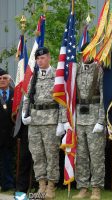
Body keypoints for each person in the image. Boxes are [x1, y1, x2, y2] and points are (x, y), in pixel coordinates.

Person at [22, 47, 66, 199]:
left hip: (51, 121)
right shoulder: (33, 76)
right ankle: (41, 186)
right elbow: (27, 97)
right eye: (38, 59)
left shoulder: (57, 76)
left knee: (51, 155)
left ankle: (51, 187)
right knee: (37, 154)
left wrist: (62, 122)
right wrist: (24, 113)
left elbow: (62, 101)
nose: (40, 61)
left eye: (42, 58)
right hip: (34, 122)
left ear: (48, 58)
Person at [72, 44, 106, 200]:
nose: (86, 55)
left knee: (96, 156)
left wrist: (101, 120)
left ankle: (96, 188)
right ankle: (83, 187)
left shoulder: (100, 70)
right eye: (84, 53)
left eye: (89, 52)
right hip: (79, 119)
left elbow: (104, 98)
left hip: (94, 120)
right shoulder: (75, 70)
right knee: (82, 156)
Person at [0, 68, 15, 192]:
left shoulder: (16, 93)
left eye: (5, 78)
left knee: (7, 160)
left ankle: (8, 184)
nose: (2, 80)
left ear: (9, 79)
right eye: (0, 78)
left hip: (10, 133)